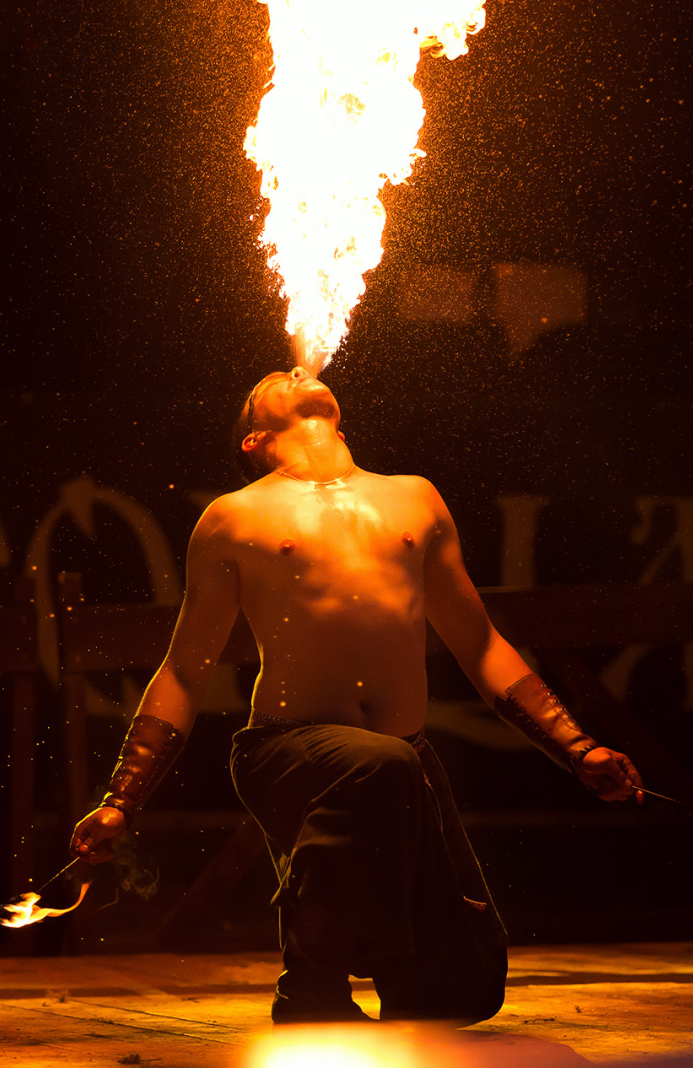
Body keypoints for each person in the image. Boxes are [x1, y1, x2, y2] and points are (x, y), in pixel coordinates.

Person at [69, 365, 643, 1025]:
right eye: (268, 384)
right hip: (289, 751)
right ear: (252, 438)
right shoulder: (233, 517)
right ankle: (309, 986)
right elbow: (184, 669)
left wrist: (578, 748)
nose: (293, 370)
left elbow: (480, 643)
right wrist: (121, 799)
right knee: (376, 763)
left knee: (461, 992)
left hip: (403, 761)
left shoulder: (415, 498)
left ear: (342, 419)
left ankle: (386, 968)